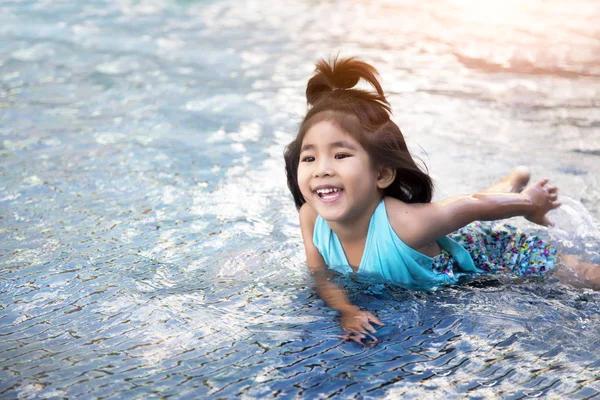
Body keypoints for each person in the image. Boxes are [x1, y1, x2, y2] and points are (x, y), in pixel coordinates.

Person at [283, 57, 600, 344]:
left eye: (340, 155)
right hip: (444, 233)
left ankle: (517, 187)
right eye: (309, 158)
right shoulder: (311, 217)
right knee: (451, 218)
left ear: (381, 175)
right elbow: (321, 275)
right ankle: (512, 180)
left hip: (489, 252)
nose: (322, 170)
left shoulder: (406, 223)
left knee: (581, 276)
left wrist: (530, 204)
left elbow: (472, 205)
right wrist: (346, 310)